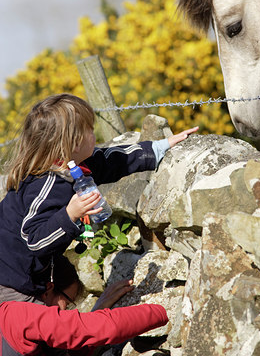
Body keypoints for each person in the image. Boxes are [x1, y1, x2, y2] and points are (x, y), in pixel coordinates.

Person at [0, 93, 199, 303]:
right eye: (90, 129)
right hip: (12, 280)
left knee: (68, 285)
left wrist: (161, 147)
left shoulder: (73, 164)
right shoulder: (46, 185)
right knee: (30, 330)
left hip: (30, 267)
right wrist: (70, 214)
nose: (94, 134)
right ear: (74, 142)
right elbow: (36, 240)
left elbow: (116, 159)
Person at [0, 255, 169, 355]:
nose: (65, 309)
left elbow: (70, 342)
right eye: (66, 301)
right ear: (48, 289)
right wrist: (165, 310)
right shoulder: (18, 316)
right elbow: (102, 328)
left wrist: (96, 312)